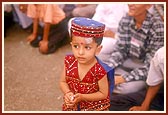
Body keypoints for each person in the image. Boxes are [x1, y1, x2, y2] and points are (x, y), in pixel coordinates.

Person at [59, 17, 114, 111]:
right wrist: (68, 93)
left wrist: (83, 97)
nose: (80, 52)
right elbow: (63, 81)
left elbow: (103, 94)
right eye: (76, 46)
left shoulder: (99, 70)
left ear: (98, 50)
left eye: (87, 47)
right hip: (72, 106)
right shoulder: (69, 62)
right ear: (71, 44)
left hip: (93, 109)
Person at [110, 47, 164, 111]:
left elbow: (148, 70)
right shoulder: (161, 54)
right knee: (112, 102)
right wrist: (144, 107)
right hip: (161, 97)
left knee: (128, 89)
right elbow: (155, 82)